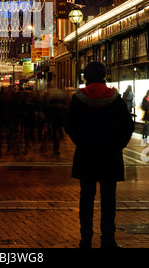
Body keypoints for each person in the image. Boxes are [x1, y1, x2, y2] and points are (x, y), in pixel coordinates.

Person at [65, 61, 134, 249]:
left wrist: (81, 141)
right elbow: (128, 125)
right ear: (104, 76)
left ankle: (85, 238)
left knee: (86, 197)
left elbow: (69, 126)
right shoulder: (115, 98)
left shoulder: (78, 98)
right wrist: (118, 144)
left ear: (86, 77)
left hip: (86, 154)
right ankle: (108, 239)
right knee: (108, 198)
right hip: (109, 155)